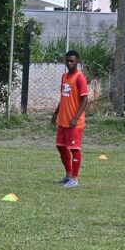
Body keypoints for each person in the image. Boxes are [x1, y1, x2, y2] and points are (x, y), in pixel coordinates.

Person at [49, 50, 89, 187]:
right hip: (63, 120)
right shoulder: (64, 76)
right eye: (67, 61)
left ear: (77, 61)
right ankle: (68, 174)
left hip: (74, 122)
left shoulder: (80, 77)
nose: (69, 63)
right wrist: (55, 114)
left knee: (74, 149)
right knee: (60, 147)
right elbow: (63, 97)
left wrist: (75, 118)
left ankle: (75, 179)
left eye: (72, 61)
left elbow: (85, 100)